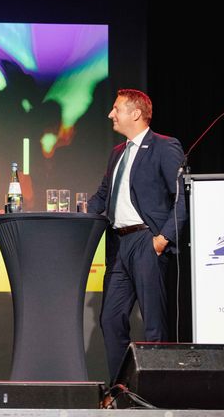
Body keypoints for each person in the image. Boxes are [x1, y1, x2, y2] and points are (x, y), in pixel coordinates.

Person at [87, 89, 186, 383]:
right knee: (110, 319)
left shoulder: (165, 147)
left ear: (135, 113)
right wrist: (78, 220)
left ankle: (155, 390)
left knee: (153, 322)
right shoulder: (118, 152)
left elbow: (182, 198)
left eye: (116, 109)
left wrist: (162, 239)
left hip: (147, 241)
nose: (110, 114)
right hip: (118, 244)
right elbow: (103, 195)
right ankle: (122, 388)